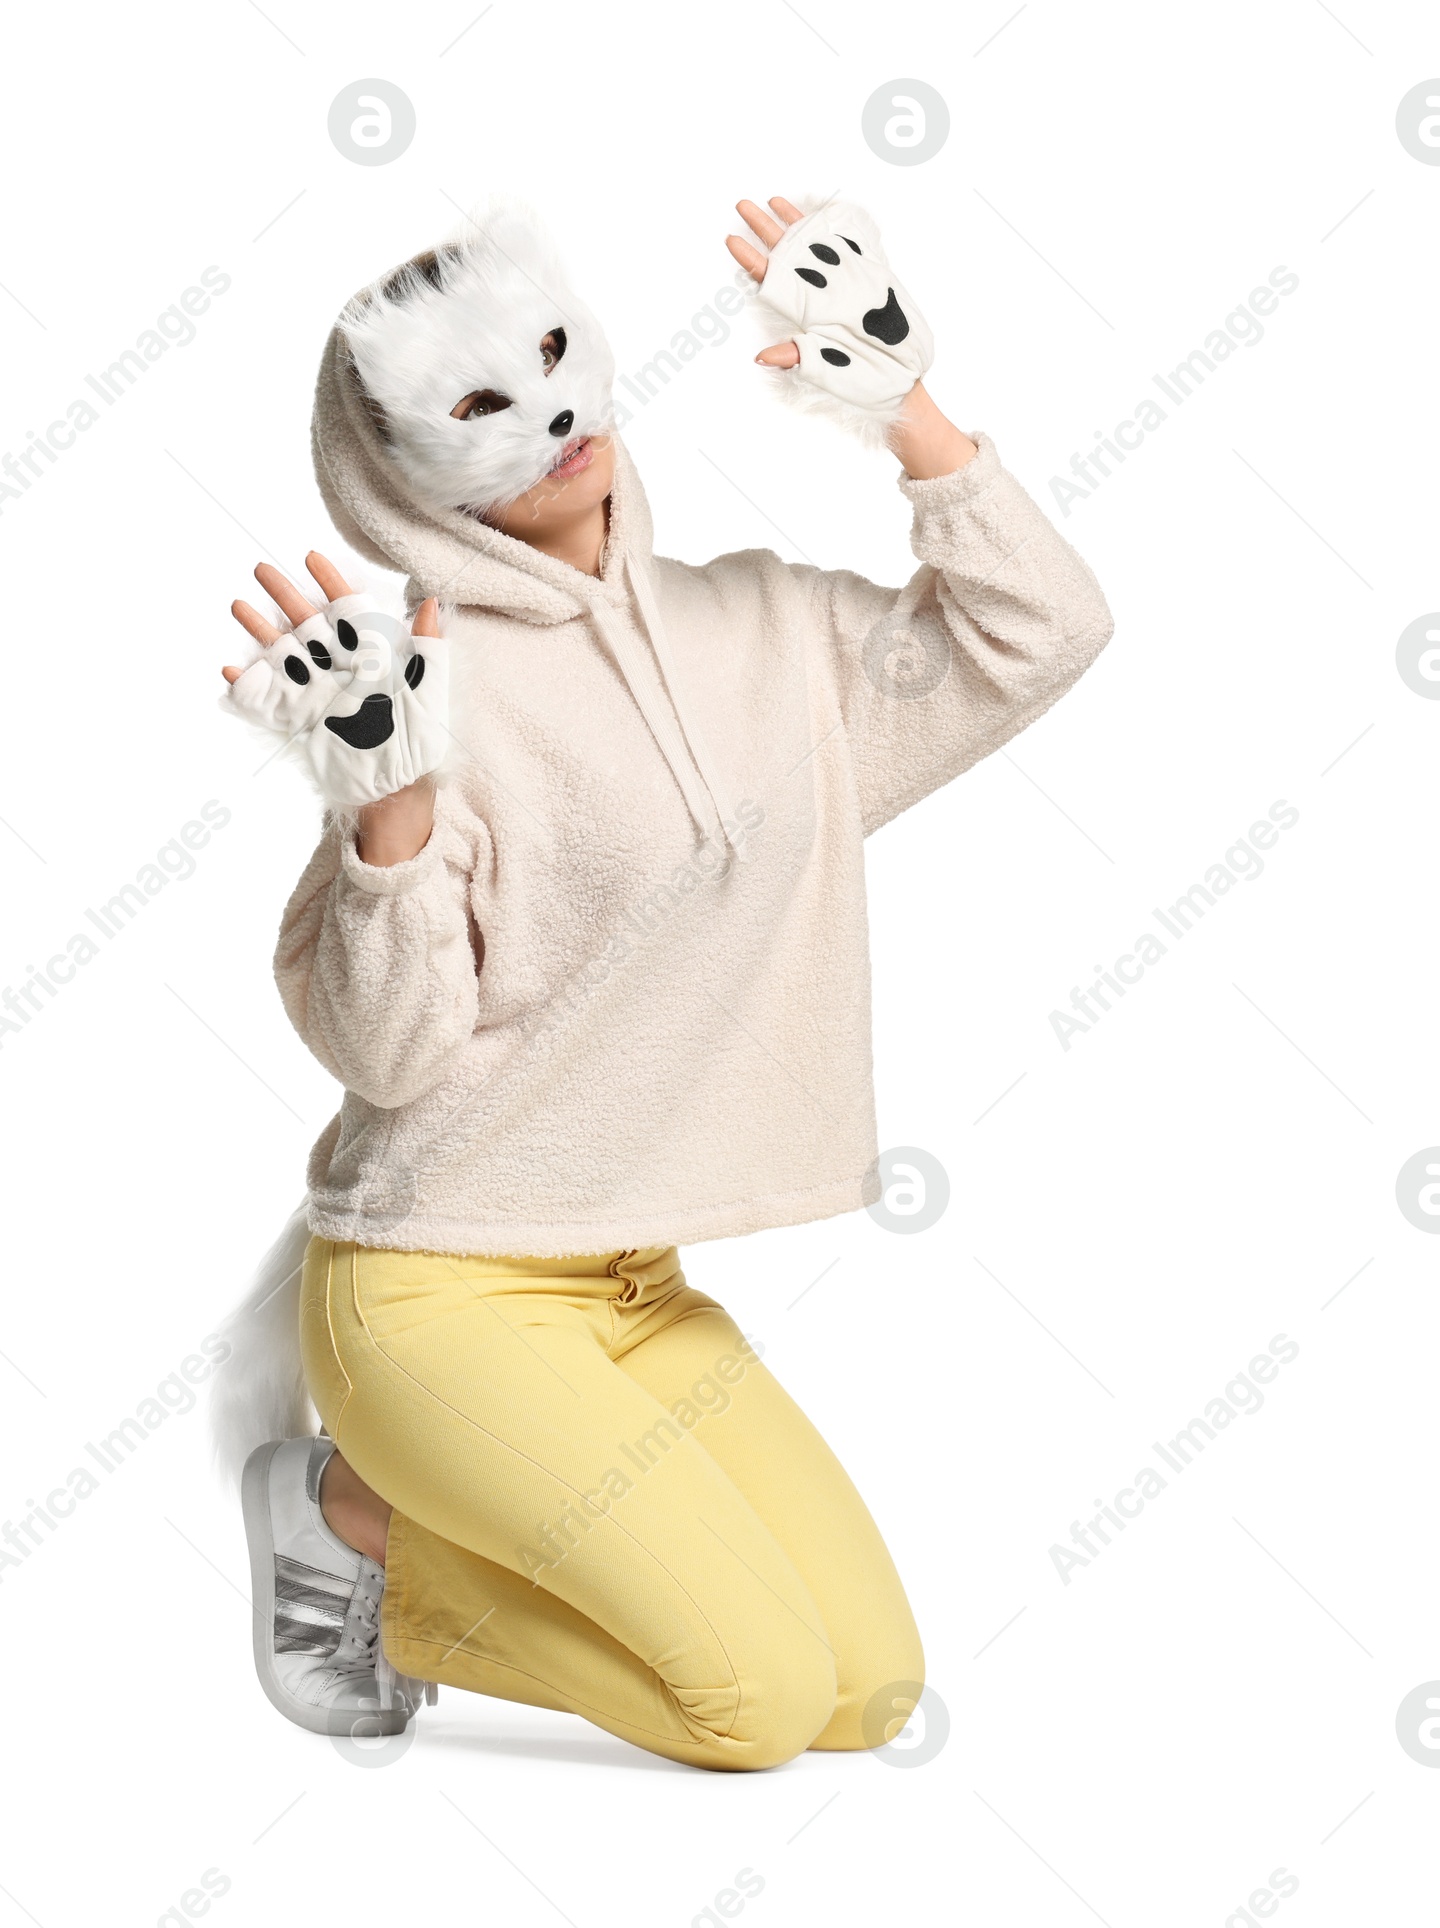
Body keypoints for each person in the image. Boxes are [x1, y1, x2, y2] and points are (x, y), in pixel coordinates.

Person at [214, 191, 1113, 1771]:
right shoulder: (420, 695)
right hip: (436, 1292)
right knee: (748, 1709)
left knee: (868, 1695)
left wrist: (901, 406)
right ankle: (358, 1530)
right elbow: (387, 1048)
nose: (548, 417)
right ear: (400, 472)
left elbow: (1043, 635)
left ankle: (397, 1518)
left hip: (630, 1286)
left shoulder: (764, 625)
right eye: (478, 403)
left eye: (553, 358)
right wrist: (388, 811)